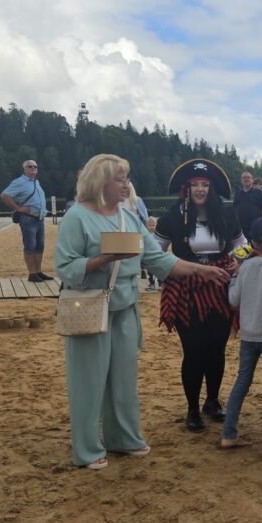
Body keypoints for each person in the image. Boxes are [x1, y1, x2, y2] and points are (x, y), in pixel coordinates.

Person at [54, 154, 229, 469]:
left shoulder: (129, 217)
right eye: (119, 179)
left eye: (127, 178)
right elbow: (65, 267)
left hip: (125, 307)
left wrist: (201, 271)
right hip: (90, 306)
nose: (126, 185)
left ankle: (123, 438)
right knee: (88, 381)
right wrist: (105, 259)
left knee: (123, 379)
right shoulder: (76, 217)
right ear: (100, 182)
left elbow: (158, 259)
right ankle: (88, 449)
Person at [155, 159, 247, 432]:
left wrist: (238, 262)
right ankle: (192, 408)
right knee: (194, 352)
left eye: (205, 184)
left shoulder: (227, 215)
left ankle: (212, 401)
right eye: (195, 184)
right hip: (185, 291)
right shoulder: (172, 217)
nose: (200, 189)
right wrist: (177, 270)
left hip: (220, 288)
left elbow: (243, 245)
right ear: (187, 188)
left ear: (211, 188)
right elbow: (155, 252)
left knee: (217, 350)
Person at [220, 217, 262, 451]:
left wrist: (236, 276)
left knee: (242, 381)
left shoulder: (245, 267)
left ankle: (228, 434)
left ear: (253, 243)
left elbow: (233, 300)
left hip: (248, 334)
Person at [0, 159, 52, 282]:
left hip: (39, 219)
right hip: (28, 219)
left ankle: (38, 271)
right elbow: (4, 195)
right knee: (30, 246)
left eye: (35, 166)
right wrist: (18, 208)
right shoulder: (19, 182)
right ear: (24, 169)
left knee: (40, 246)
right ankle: (32, 273)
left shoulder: (36, 182)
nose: (33, 168)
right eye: (30, 166)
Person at [233, 171, 262, 238]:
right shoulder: (237, 194)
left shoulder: (260, 193)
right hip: (240, 228)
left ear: (252, 180)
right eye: (244, 177)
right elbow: (234, 209)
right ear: (241, 180)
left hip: (255, 227)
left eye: (248, 177)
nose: (246, 179)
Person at [144, 216, 161, 291]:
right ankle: (151, 284)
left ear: (156, 225)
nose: (151, 227)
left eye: (153, 225)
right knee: (150, 272)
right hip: (149, 256)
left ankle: (160, 284)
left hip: (158, 255)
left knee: (159, 270)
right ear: (146, 225)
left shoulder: (158, 234)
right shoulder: (145, 235)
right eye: (149, 225)